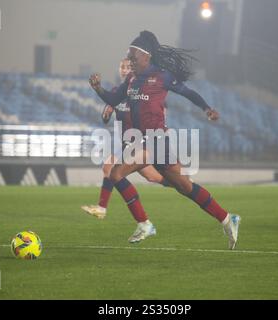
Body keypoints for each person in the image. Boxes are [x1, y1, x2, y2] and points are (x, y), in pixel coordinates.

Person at [89, 31, 240, 249]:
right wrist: (98, 89)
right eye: (128, 55)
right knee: (183, 187)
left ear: (146, 56)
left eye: (133, 54)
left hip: (156, 140)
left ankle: (144, 223)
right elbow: (113, 99)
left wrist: (206, 108)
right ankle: (227, 219)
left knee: (116, 173)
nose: (130, 58)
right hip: (143, 140)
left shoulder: (162, 77)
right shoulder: (131, 79)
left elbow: (188, 93)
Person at [82, 58, 170, 219]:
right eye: (122, 66)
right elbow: (107, 114)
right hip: (126, 141)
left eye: (128, 67)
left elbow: (156, 109)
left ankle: (102, 208)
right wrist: (107, 112)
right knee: (152, 176)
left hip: (137, 139)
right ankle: (180, 183)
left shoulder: (140, 90)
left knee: (109, 167)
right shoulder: (118, 91)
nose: (124, 69)